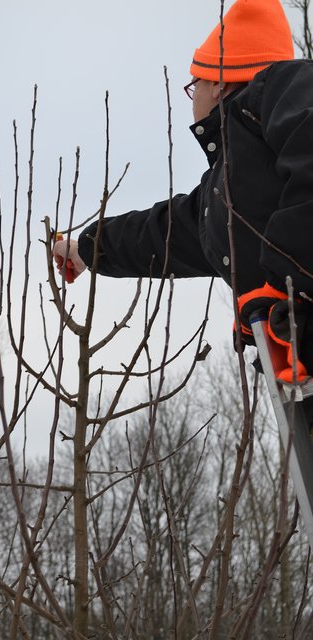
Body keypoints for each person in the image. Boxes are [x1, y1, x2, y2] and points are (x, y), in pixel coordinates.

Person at [53, 0, 313, 391]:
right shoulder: (223, 194)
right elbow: (164, 233)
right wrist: (87, 247)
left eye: (194, 85)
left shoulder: (288, 87)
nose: (192, 97)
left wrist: (284, 281)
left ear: (218, 83)